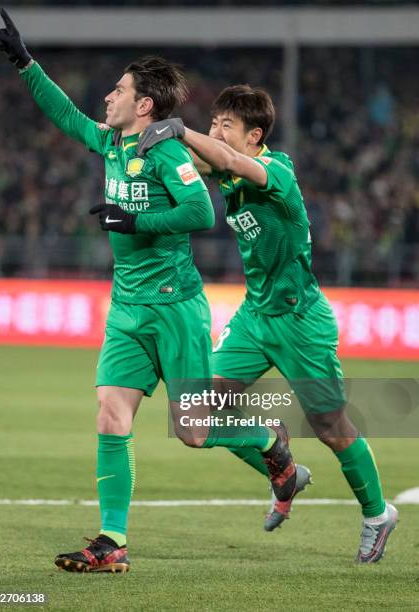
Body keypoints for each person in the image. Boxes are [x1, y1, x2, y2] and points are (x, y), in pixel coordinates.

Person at [0, 10, 307, 573]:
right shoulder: (113, 140)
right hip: (127, 309)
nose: (108, 96)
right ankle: (111, 542)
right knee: (110, 412)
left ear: (145, 105)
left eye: (119, 89)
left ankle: (268, 440)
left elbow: (198, 210)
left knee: (193, 430)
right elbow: (66, 117)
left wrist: (132, 222)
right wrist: (26, 63)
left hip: (174, 307)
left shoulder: (165, 153)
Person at [138, 85, 398, 563]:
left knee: (330, 426)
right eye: (214, 123)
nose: (216, 133)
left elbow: (230, 163)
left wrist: (182, 130)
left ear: (254, 135)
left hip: (300, 321)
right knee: (195, 409)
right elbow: (193, 164)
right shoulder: (224, 166)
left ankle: (378, 513)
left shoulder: (274, 172)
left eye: (226, 126)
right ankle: (281, 468)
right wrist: (135, 142)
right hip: (255, 316)